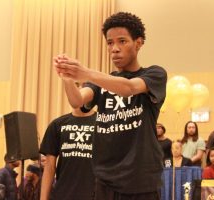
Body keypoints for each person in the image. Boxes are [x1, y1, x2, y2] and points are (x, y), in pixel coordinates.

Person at [54, 12, 167, 200]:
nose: (114, 48)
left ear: (138, 43)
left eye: (122, 41)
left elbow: (129, 88)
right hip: (105, 178)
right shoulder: (101, 82)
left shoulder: (155, 74)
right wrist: (67, 78)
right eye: (110, 43)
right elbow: (77, 101)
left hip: (141, 178)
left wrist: (86, 73)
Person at [40, 107, 96, 200]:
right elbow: (49, 166)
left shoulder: (103, 125)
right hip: (62, 194)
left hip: (93, 194)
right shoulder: (57, 124)